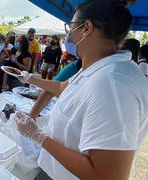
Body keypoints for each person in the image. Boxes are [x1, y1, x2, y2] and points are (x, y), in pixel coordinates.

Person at [15, 1, 148, 180]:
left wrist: (39, 136)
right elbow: (63, 87)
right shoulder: (99, 66)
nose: (68, 35)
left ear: (86, 28)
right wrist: (30, 78)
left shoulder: (114, 87)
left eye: (71, 27)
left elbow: (107, 176)